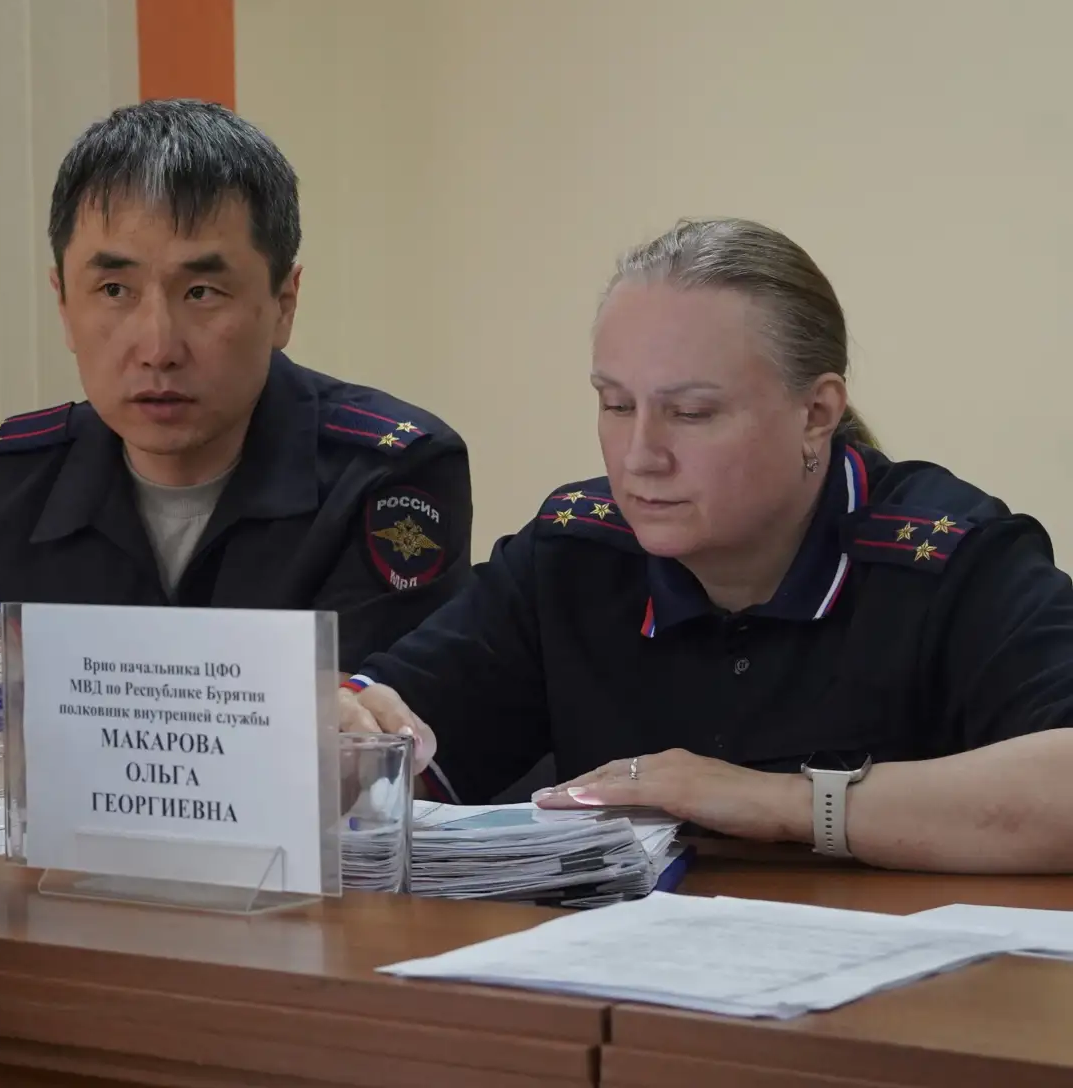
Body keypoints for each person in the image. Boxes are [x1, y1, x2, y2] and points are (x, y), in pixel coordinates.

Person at [342, 218, 1073, 872]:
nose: (640, 456)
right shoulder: (575, 548)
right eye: (616, 404)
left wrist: (779, 802)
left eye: (691, 413)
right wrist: (340, 731)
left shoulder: (947, 558)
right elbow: (392, 732)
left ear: (816, 413)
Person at [0, 100, 474, 694]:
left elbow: (356, 730)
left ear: (283, 304)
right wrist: (24, 687)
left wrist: (49, 695)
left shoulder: (386, 475)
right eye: (114, 290)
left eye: (202, 292)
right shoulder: (13, 479)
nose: (157, 346)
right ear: (63, 304)